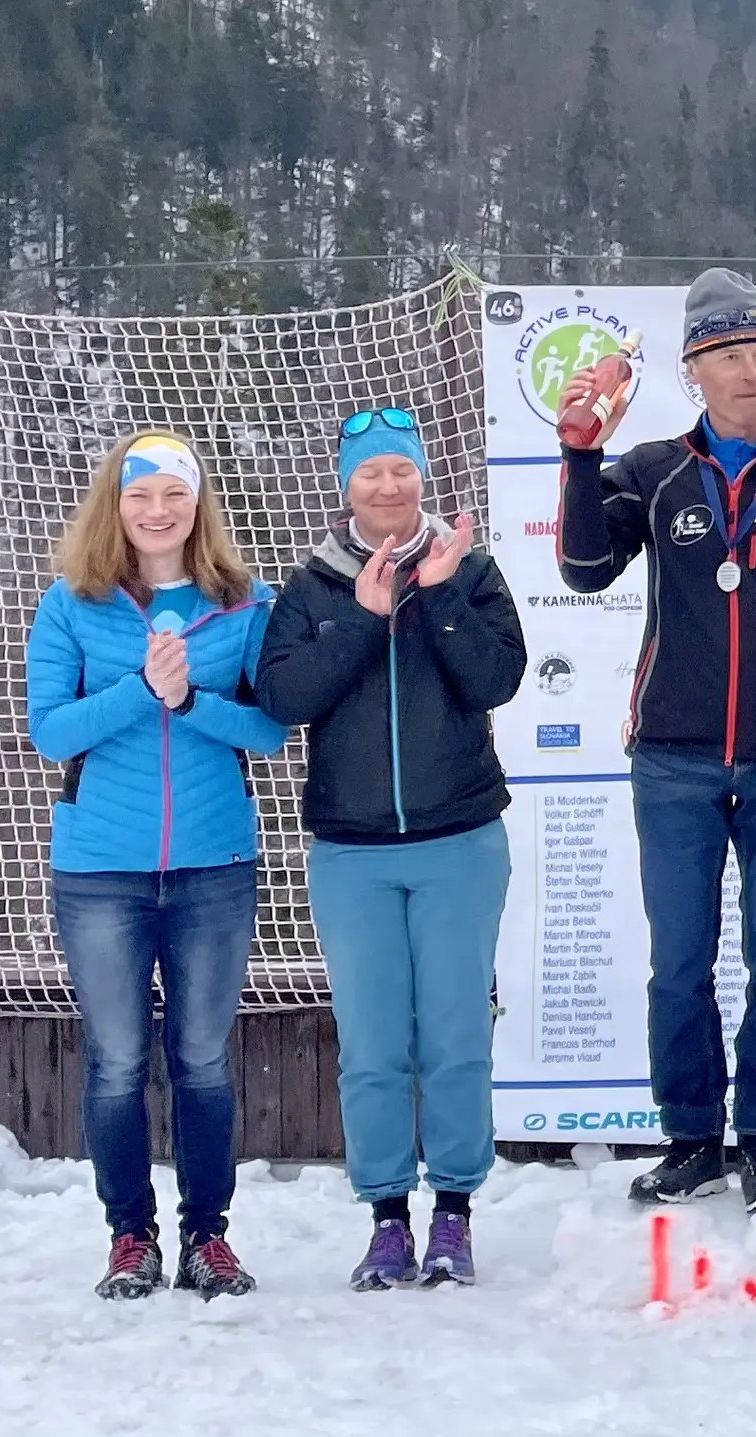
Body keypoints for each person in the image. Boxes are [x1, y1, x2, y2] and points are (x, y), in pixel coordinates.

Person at [556, 268, 756, 1213]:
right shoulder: (655, 470)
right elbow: (583, 570)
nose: (752, 372)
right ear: (695, 371)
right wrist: (581, 458)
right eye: (731, 356)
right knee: (680, 960)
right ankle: (693, 1136)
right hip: (673, 756)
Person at [256, 408, 526, 1290]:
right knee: (373, 1045)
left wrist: (438, 594)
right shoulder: (311, 586)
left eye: (401, 472)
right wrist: (365, 619)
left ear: (422, 480)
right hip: (352, 853)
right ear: (346, 487)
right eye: (370, 474)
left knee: (453, 1036)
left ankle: (453, 1215)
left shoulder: (473, 570)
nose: (387, 487)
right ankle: (384, 1217)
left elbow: (498, 678)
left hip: (460, 842)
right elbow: (284, 695)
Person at [26, 430, 287, 1299]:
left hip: (214, 866)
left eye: (174, 493)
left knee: (205, 1060)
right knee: (116, 1060)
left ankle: (207, 1239)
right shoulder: (73, 602)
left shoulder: (245, 603)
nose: (157, 510)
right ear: (116, 503)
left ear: (198, 505)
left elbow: (269, 730)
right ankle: (129, 1236)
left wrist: (190, 699)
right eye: (140, 495)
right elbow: (51, 733)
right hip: (101, 870)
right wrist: (141, 690)